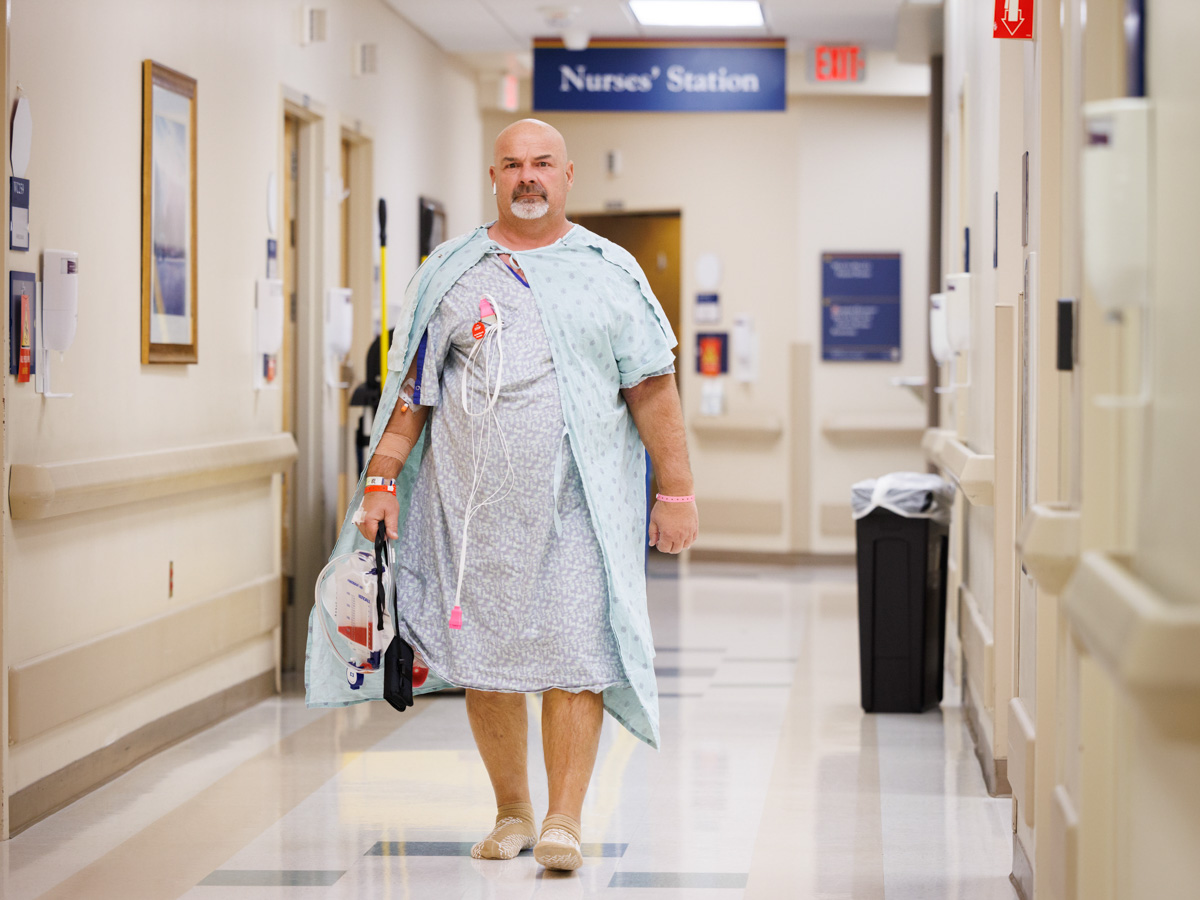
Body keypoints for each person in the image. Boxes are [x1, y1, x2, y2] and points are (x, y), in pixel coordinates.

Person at [306, 118, 697, 873]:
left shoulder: (608, 270)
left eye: (542, 164)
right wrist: (382, 480)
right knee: (485, 663)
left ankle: (564, 818)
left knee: (576, 656)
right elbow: (412, 392)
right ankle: (513, 808)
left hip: (578, 508)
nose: (527, 177)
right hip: (472, 514)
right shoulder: (453, 270)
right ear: (493, 177)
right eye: (512, 164)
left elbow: (653, 388)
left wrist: (675, 492)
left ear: (567, 174)